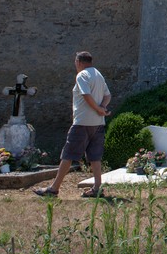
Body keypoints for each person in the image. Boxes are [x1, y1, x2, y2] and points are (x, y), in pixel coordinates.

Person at [34, 51, 111, 198]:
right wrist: (102, 108)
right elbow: (108, 95)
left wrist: (98, 108)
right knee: (95, 157)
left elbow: (86, 95)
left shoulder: (82, 75)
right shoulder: (98, 74)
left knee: (68, 154)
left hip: (82, 122)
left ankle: (54, 188)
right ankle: (97, 188)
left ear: (79, 62)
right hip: (98, 123)